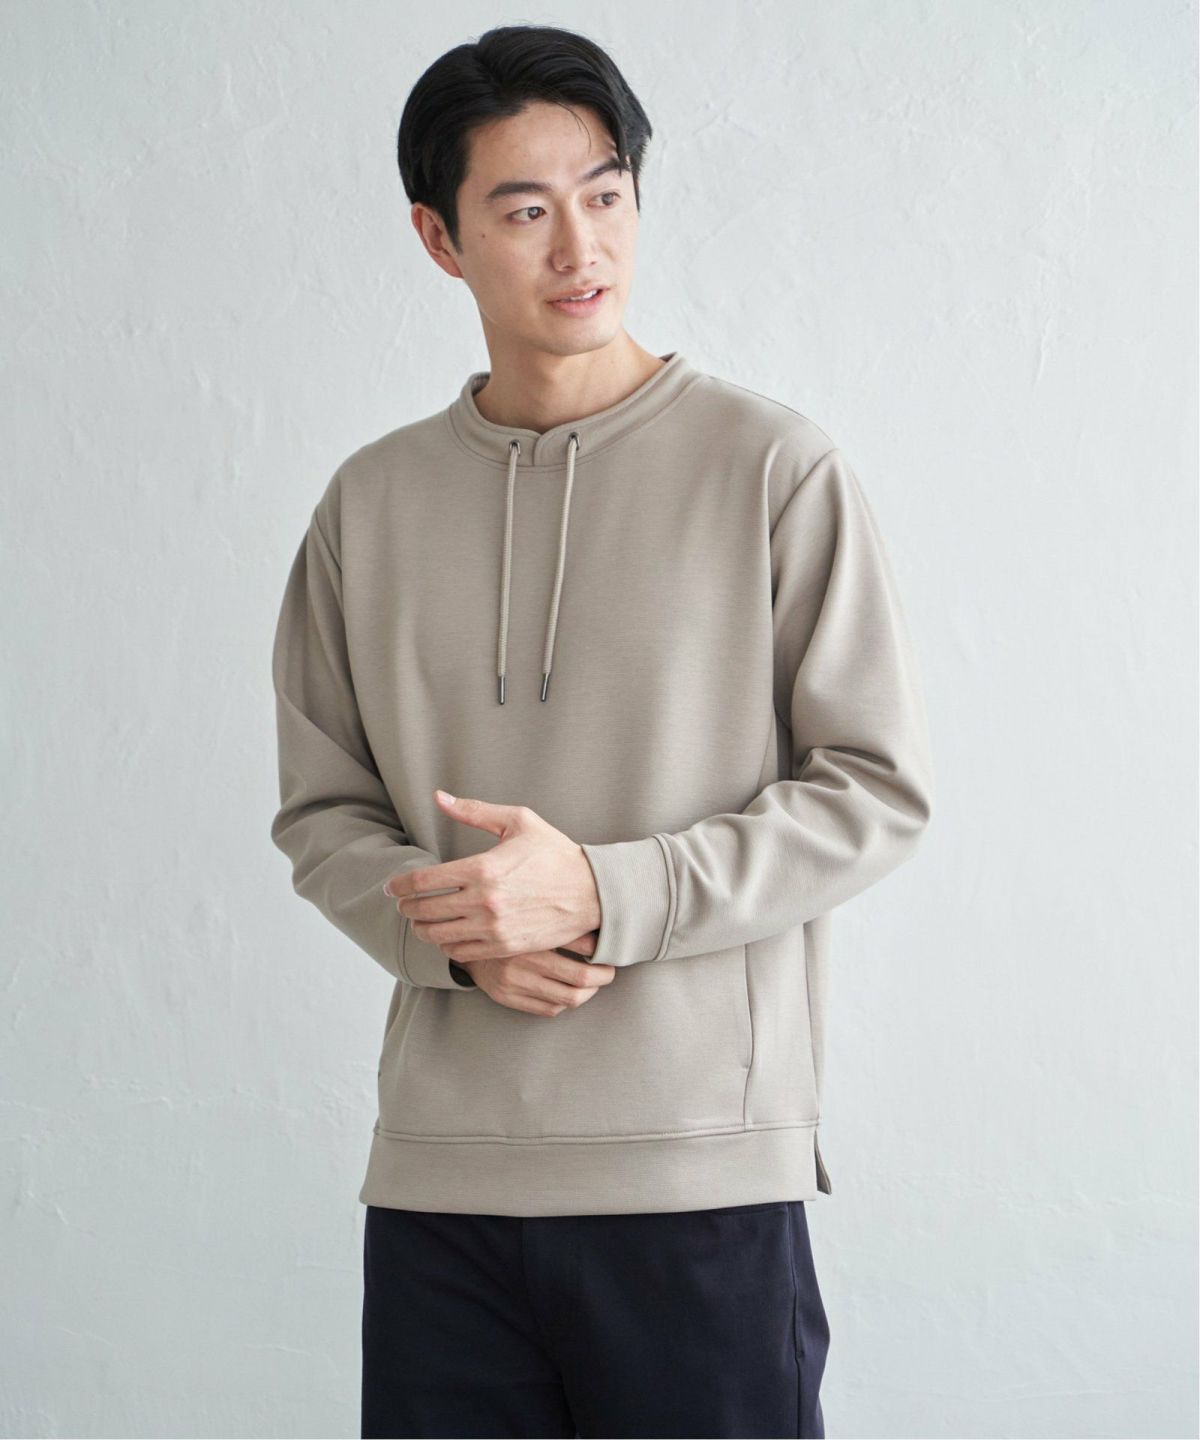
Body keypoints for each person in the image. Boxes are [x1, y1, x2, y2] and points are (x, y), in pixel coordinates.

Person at [269, 22, 934, 1440]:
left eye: (607, 193)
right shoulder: (366, 507)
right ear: (439, 239)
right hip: (442, 1188)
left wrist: (604, 891)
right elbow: (323, 811)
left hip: (698, 1180)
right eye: (524, 210)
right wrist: (458, 933)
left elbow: (875, 791)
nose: (581, 246)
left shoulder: (773, 470)